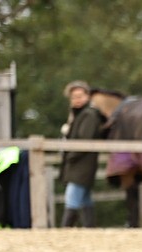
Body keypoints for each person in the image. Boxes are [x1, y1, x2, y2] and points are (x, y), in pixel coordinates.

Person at [57, 80, 104, 227]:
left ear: (87, 96)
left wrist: (70, 156)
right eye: (73, 97)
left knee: (72, 198)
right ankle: (90, 229)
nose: (77, 100)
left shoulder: (88, 115)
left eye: (79, 96)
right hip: (79, 164)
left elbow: (84, 140)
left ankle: (65, 229)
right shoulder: (78, 115)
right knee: (84, 199)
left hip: (81, 164)